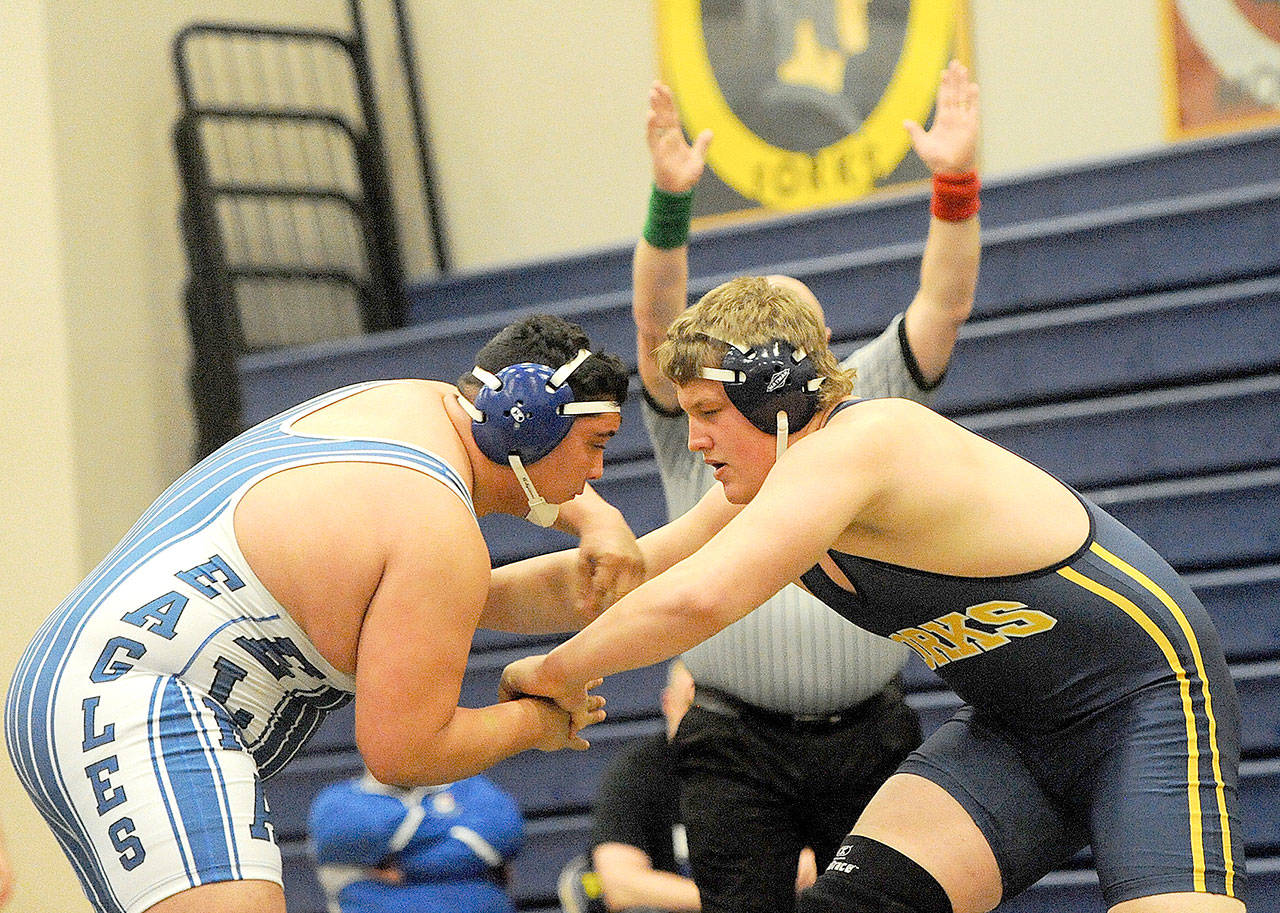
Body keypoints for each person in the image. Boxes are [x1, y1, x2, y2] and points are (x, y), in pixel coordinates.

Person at [498, 282, 1246, 913]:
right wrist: (457, 596)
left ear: (773, 397)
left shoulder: (864, 443)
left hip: (1145, 701)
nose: (694, 441)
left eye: (709, 412)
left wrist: (556, 671)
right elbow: (616, 577)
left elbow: (696, 602)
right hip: (1015, 731)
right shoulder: (768, 488)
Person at [4, 313, 640, 913]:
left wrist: (599, 518)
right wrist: (538, 721)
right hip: (136, 698)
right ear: (526, 425)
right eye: (595, 444)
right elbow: (406, 755)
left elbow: (493, 585)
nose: (597, 470)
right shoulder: (436, 529)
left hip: (75, 676)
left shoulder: (405, 403)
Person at [629, 61, 980, 913]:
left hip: (870, 727)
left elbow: (942, 302)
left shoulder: (869, 397)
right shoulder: (703, 409)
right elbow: (655, 322)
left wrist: (955, 182)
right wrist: (669, 203)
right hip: (734, 737)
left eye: (803, 343)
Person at [589, 661, 817, 913]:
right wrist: (734, 903)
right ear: (667, 704)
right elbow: (620, 885)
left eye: (716, 711)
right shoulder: (637, 772)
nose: (703, 723)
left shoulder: (775, 764)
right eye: (691, 707)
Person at [309, 770, 524, 913]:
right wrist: (451, 828)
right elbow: (355, 831)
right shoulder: (337, 804)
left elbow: (502, 833)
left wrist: (404, 867)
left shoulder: (474, 788)